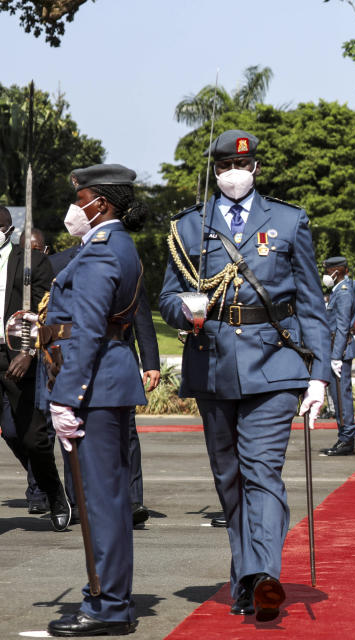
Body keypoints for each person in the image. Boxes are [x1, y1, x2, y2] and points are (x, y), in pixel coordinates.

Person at [159, 130, 330, 621]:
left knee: (262, 473)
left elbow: (311, 304)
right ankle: (245, 577)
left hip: (275, 365)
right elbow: (168, 296)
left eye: (244, 166)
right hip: (212, 364)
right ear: (215, 171)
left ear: (255, 169)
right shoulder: (189, 226)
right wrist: (183, 309)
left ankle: (265, 579)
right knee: (230, 479)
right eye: (226, 168)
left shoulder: (289, 220)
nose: (235, 174)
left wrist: (318, 376)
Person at [42, 164, 148, 637]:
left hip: (96, 386)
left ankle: (109, 606)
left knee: (101, 501)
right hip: (105, 381)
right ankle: (105, 597)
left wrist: (67, 397)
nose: (74, 208)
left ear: (100, 203)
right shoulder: (110, 246)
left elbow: (86, 330)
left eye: (80, 198)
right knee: (106, 498)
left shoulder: (103, 253)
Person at [49, 242, 160, 527]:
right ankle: (75, 501)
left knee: (127, 432)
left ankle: (132, 500)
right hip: (73, 360)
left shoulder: (124, 259)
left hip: (116, 356)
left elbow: (141, 312)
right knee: (73, 431)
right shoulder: (58, 263)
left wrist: (151, 362)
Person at [0, 205, 67, 531]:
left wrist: (28, 351)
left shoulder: (32, 262)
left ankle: (53, 491)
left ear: (8, 230)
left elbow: (45, 312)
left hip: (16, 356)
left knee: (30, 437)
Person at [321, 256, 355, 455]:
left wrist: (336, 356)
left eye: (328, 271)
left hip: (340, 350)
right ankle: (344, 437)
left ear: (337, 271)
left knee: (342, 397)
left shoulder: (343, 292)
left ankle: (347, 439)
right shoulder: (339, 290)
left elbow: (343, 326)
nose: (326, 275)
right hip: (337, 348)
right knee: (339, 396)